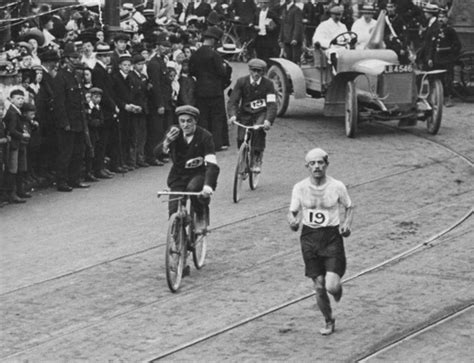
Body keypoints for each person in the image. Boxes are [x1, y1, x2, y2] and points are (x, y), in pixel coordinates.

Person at [288, 147, 354, 336]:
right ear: (307, 166)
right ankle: (328, 320)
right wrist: (292, 222)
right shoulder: (300, 187)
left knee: (331, 286)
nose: (317, 166)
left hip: (331, 238)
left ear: (326, 165)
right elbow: (292, 212)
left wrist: (346, 225)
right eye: (312, 163)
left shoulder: (337, 186)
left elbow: (349, 207)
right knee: (318, 286)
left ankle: (336, 289)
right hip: (309, 238)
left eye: (320, 163)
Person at [153, 105, 220, 234]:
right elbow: (156, 154)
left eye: (189, 121)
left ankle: (200, 215)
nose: (185, 125)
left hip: (198, 174)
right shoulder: (173, 133)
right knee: (174, 210)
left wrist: (208, 186)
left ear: (195, 121)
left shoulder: (205, 137)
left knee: (194, 189)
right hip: (178, 176)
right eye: (182, 121)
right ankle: (178, 240)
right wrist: (166, 142)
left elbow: (212, 164)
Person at [227, 58, 277, 173]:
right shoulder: (241, 82)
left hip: (261, 113)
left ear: (263, 72)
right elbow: (233, 101)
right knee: (240, 138)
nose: (256, 74)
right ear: (249, 70)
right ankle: (243, 160)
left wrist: (268, 120)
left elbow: (271, 104)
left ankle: (256, 159)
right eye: (254, 70)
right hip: (245, 114)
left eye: (259, 71)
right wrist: (232, 115)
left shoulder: (268, 84)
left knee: (258, 131)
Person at [52, 42, 89, 192]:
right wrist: (64, 122)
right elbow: (59, 103)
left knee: (78, 152)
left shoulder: (75, 76)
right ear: (66, 59)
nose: (77, 60)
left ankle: (75, 178)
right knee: (65, 152)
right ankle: (62, 181)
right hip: (67, 121)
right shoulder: (61, 77)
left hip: (78, 119)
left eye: (77, 57)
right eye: (74, 57)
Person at [189, 26, 230, 151]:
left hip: (200, 90)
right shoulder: (214, 55)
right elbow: (222, 72)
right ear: (213, 40)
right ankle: (216, 143)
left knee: (203, 118)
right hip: (215, 90)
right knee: (216, 117)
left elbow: (192, 71)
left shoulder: (195, 54)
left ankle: (203, 143)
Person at [433, 7, 461, 107]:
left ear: (447, 19)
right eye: (439, 17)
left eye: (443, 17)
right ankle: (440, 97)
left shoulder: (450, 31)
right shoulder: (435, 30)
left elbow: (457, 45)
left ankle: (449, 97)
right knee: (437, 78)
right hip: (437, 58)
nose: (441, 19)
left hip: (447, 58)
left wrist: (451, 55)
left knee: (448, 78)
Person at [312, 5, 349, 72]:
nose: (337, 17)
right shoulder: (324, 25)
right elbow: (317, 39)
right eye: (335, 15)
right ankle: (338, 73)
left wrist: (350, 40)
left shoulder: (343, 26)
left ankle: (348, 73)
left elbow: (347, 37)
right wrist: (331, 42)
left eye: (339, 15)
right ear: (331, 15)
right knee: (334, 54)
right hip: (329, 48)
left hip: (342, 48)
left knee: (351, 55)